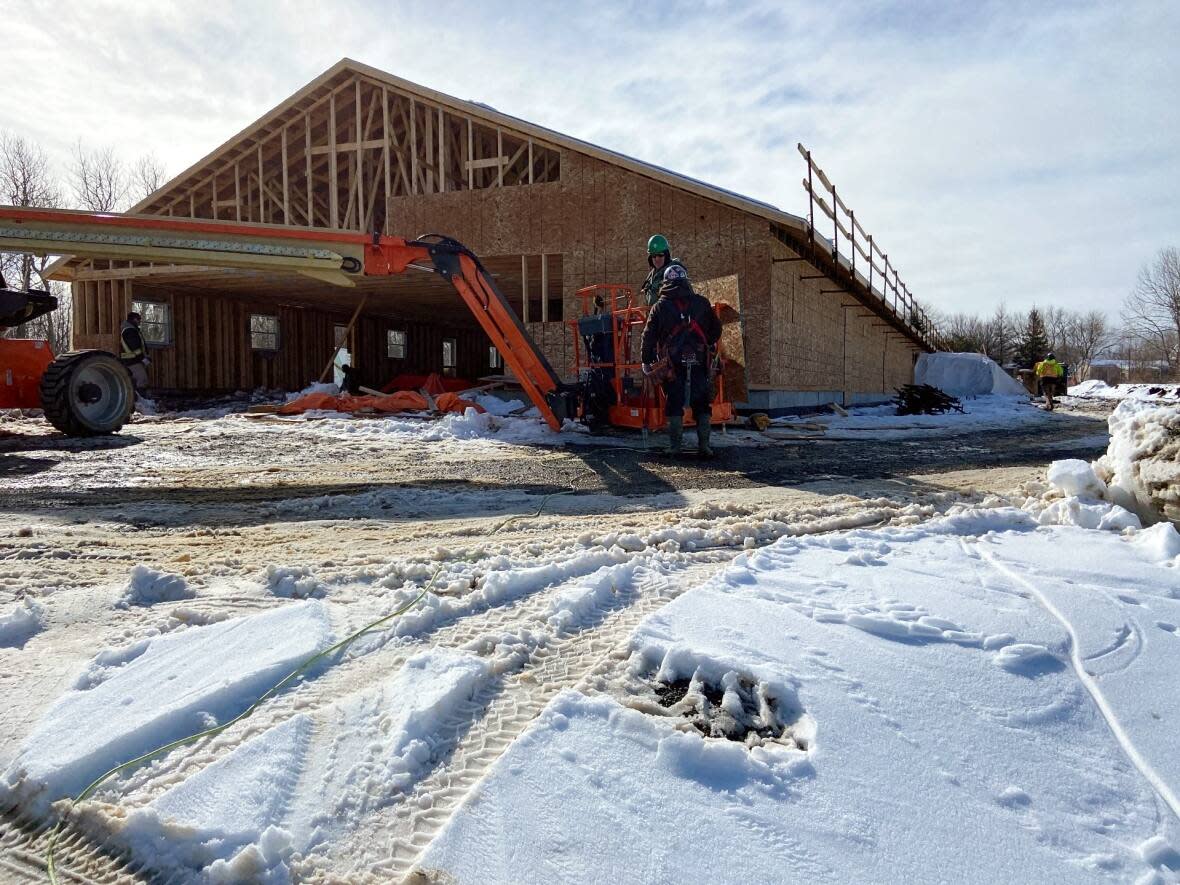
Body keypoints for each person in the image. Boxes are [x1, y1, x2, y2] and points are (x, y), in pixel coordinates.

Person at [641, 264, 722, 456]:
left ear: (665, 283)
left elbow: (648, 336)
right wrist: (705, 344)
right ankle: (704, 447)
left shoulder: (659, 307)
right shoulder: (702, 303)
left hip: (672, 365)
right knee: (702, 402)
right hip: (700, 362)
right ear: (686, 281)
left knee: (674, 402)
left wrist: (647, 360)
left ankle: (675, 447)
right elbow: (716, 329)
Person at [640, 234, 686, 306]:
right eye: (653, 256)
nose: (657, 259)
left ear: (667, 255)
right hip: (654, 314)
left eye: (660, 255)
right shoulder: (652, 275)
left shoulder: (674, 272)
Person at [119, 311, 149, 395]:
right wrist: (143, 358)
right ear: (133, 319)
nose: (140, 321)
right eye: (138, 319)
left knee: (135, 381)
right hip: (132, 360)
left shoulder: (131, 330)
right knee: (142, 380)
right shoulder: (130, 331)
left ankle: (138, 401)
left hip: (131, 359)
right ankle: (141, 402)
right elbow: (135, 348)